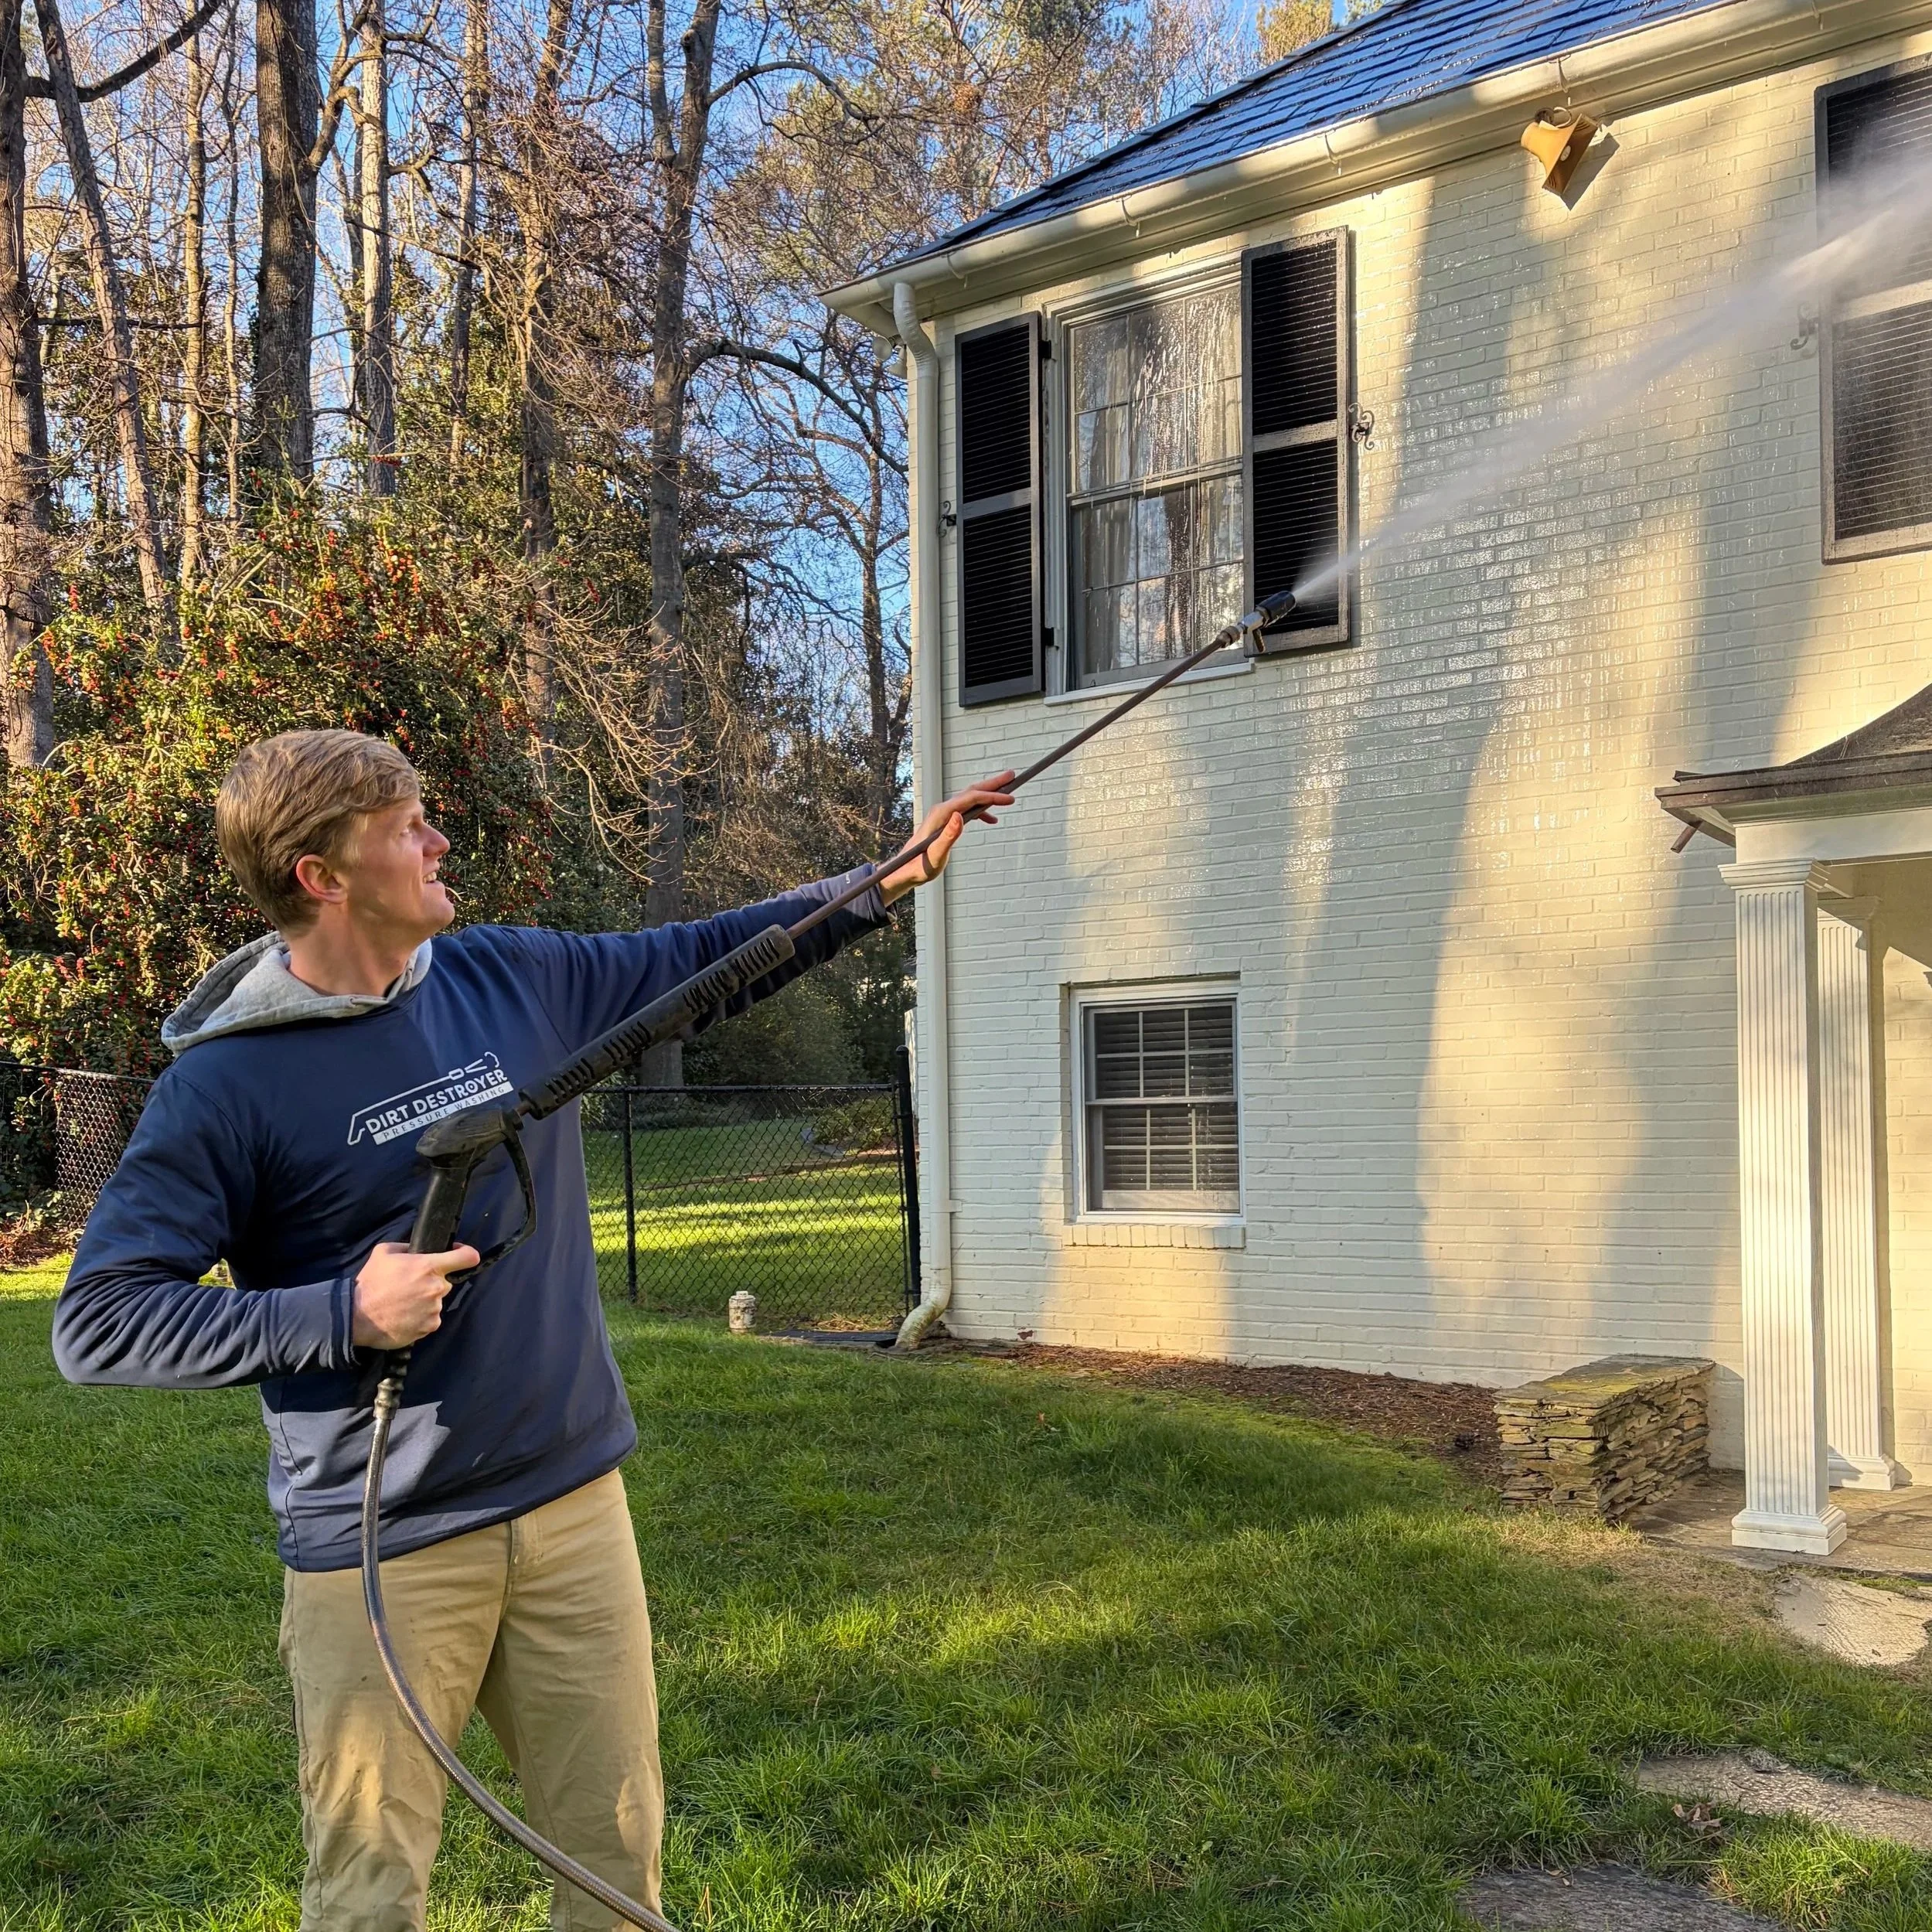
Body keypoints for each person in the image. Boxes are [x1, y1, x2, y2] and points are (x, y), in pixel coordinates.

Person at [53, 728, 1014, 1932]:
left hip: (571, 1504)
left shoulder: (506, 977)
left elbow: (701, 956)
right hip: (384, 1547)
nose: (438, 838)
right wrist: (340, 1311)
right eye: (407, 825)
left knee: (617, 1872)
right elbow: (97, 1322)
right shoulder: (224, 1086)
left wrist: (875, 885)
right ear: (322, 874)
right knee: (368, 1895)